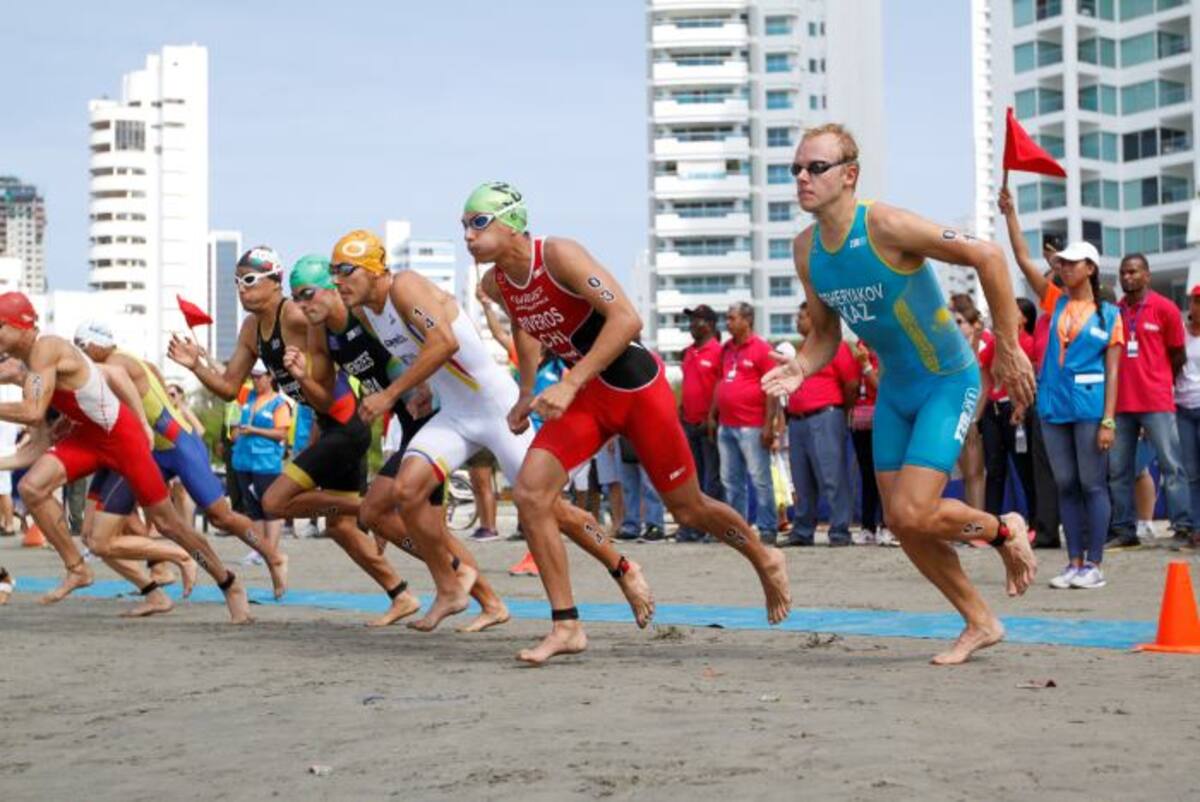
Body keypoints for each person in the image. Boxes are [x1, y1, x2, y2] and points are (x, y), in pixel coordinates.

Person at [467, 180, 790, 665]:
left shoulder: (558, 255)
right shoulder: (494, 284)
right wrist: (529, 390)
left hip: (636, 389)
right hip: (587, 394)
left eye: (478, 223)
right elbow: (522, 324)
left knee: (689, 509)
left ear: (511, 223)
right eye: (464, 226)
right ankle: (567, 625)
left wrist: (570, 382)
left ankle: (764, 556)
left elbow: (627, 320)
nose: (468, 235)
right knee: (533, 494)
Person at [763, 124, 1037, 665]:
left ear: (849, 175)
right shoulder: (805, 250)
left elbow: (989, 257)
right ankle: (980, 621)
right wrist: (799, 366)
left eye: (815, 167)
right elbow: (824, 334)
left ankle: (1005, 529)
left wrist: (1008, 345)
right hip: (895, 393)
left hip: (947, 380)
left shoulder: (885, 224)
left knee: (915, 510)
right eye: (795, 168)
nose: (802, 177)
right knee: (904, 523)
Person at [329, 229, 653, 635]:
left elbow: (443, 342)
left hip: (495, 409)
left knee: (553, 509)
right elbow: (418, 350)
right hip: (456, 414)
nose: (337, 280)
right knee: (406, 491)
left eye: (346, 270)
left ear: (378, 271)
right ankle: (450, 588)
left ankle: (622, 568)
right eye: (332, 272)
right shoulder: (366, 311)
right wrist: (423, 389)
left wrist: (392, 393)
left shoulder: (405, 286)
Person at [168, 246, 421, 627]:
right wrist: (197, 365)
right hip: (327, 424)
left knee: (277, 501)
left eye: (250, 280)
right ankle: (401, 592)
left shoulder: (299, 315)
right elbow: (226, 387)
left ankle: (374, 508)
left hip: (346, 421)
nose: (242, 289)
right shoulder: (253, 329)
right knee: (339, 527)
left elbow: (348, 338)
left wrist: (394, 381)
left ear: (276, 281)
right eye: (236, 282)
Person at [285, 253, 510, 632]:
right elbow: (324, 396)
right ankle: (483, 598)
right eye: (296, 299)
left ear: (333, 288)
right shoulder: (320, 332)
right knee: (406, 520)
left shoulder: (363, 315)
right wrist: (301, 377)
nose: (302, 305)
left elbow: (419, 341)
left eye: (308, 294)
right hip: (406, 423)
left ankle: (464, 589)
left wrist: (422, 386)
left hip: (431, 417)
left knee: (392, 515)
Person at [0, 292, 249, 621]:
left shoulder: (47, 348)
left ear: (21, 326)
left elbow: (35, 412)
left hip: (122, 438)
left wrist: (142, 423)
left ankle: (227, 581)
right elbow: (35, 446)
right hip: (88, 439)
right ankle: (77, 568)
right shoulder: (32, 371)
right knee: (34, 489)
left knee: (169, 524)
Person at [76, 322, 289, 597]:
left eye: (82, 347)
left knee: (220, 517)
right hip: (155, 450)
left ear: (96, 344)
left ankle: (273, 556)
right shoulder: (136, 361)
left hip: (179, 445)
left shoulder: (115, 364)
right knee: (157, 521)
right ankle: (162, 569)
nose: (83, 355)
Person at [999, 195, 1123, 588]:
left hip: (1089, 410)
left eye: (1072, 263)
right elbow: (1021, 258)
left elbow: (1115, 372)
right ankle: (1073, 562)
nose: (1064, 268)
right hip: (1053, 407)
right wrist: (1011, 215)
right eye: (1062, 262)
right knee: (1065, 484)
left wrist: (1108, 420)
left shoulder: (1110, 315)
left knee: (1092, 485)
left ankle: (1095, 566)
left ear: (1090, 268)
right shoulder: (1054, 300)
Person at [1107, 253, 1192, 547]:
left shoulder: (1165, 308)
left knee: (1172, 466)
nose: (1127, 277)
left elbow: (1178, 354)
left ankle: (1182, 526)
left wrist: (1159, 380)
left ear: (1147, 275)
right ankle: (1124, 530)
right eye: (1123, 272)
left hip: (1156, 401)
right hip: (1120, 405)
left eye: (1133, 272)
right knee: (1118, 470)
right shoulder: (1113, 312)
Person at [782, 301, 856, 547]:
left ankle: (839, 530)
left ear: (816, 319)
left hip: (825, 415)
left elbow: (851, 384)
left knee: (832, 475)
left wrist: (840, 411)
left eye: (803, 316)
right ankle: (803, 530)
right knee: (802, 478)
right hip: (797, 419)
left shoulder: (835, 347)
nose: (798, 321)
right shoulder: (801, 349)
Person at [712, 302, 778, 544]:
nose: (727, 323)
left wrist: (769, 424)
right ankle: (739, 529)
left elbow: (771, 388)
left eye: (732, 318)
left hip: (752, 425)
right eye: (727, 318)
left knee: (760, 480)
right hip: (726, 425)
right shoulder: (726, 348)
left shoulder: (762, 348)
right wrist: (713, 414)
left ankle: (768, 529)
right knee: (731, 481)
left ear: (746, 320)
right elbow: (720, 382)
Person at [230, 362, 290, 570]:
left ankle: (271, 551)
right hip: (244, 461)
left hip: (266, 463)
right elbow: (226, 379)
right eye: (253, 377)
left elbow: (281, 433)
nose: (255, 380)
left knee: (271, 507)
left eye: (258, 377)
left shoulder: (279, 403)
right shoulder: (248, 397)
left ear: (270, 376)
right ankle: (258, 549)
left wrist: (255, 430)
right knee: (253, 509)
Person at [678, 304, 722, 542]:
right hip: (688, 423)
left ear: (711, 325)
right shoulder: (688, 352)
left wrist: (712, 417)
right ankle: (694, 526)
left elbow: (720, 386)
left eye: (698, 320)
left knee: (712, 480)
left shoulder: (718, 351)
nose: (692, 324)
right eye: (691, 320)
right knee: (693, 481)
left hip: (709, 425)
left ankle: (712, 527)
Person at [848, 339, 894, 545]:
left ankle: (888, 525)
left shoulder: (887, 350)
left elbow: (883, 388)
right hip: (860, 419)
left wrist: (866, 365)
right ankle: (867, 527)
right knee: (867, 474)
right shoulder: (858, 347)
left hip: (884, 418)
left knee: (885, 474)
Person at [950, 297, 987, 512]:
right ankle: (968, 525)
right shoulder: (950, 348)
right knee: (963, 473)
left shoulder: (985, 344)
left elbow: (985, 385)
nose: (954, 327)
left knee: (975, 473)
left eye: (959, 322)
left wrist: (974, 418)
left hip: (977, 416)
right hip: (955, 414)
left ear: (974, 324)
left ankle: (976, 525)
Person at [1175, 285, 1200, 550]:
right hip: (1182, 406)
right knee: (1190, 473)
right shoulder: (1180, 333)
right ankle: (1196, 528)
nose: (1198, 307)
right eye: (1195, 301)